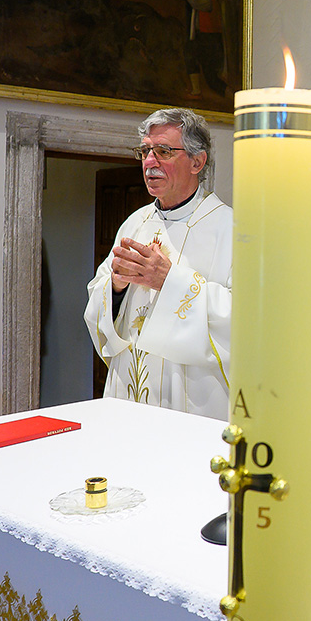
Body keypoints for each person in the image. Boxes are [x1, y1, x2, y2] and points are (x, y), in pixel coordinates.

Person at [84, 108, 231, 418]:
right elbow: (97, 298)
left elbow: (249, 319)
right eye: (145, 152)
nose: (150, 162)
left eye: (163, 151)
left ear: (197, 162)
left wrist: (170, 281)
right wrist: (116, 287)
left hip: (191, 402)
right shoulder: (135, 223)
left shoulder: (230, 229)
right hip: (129, 395)